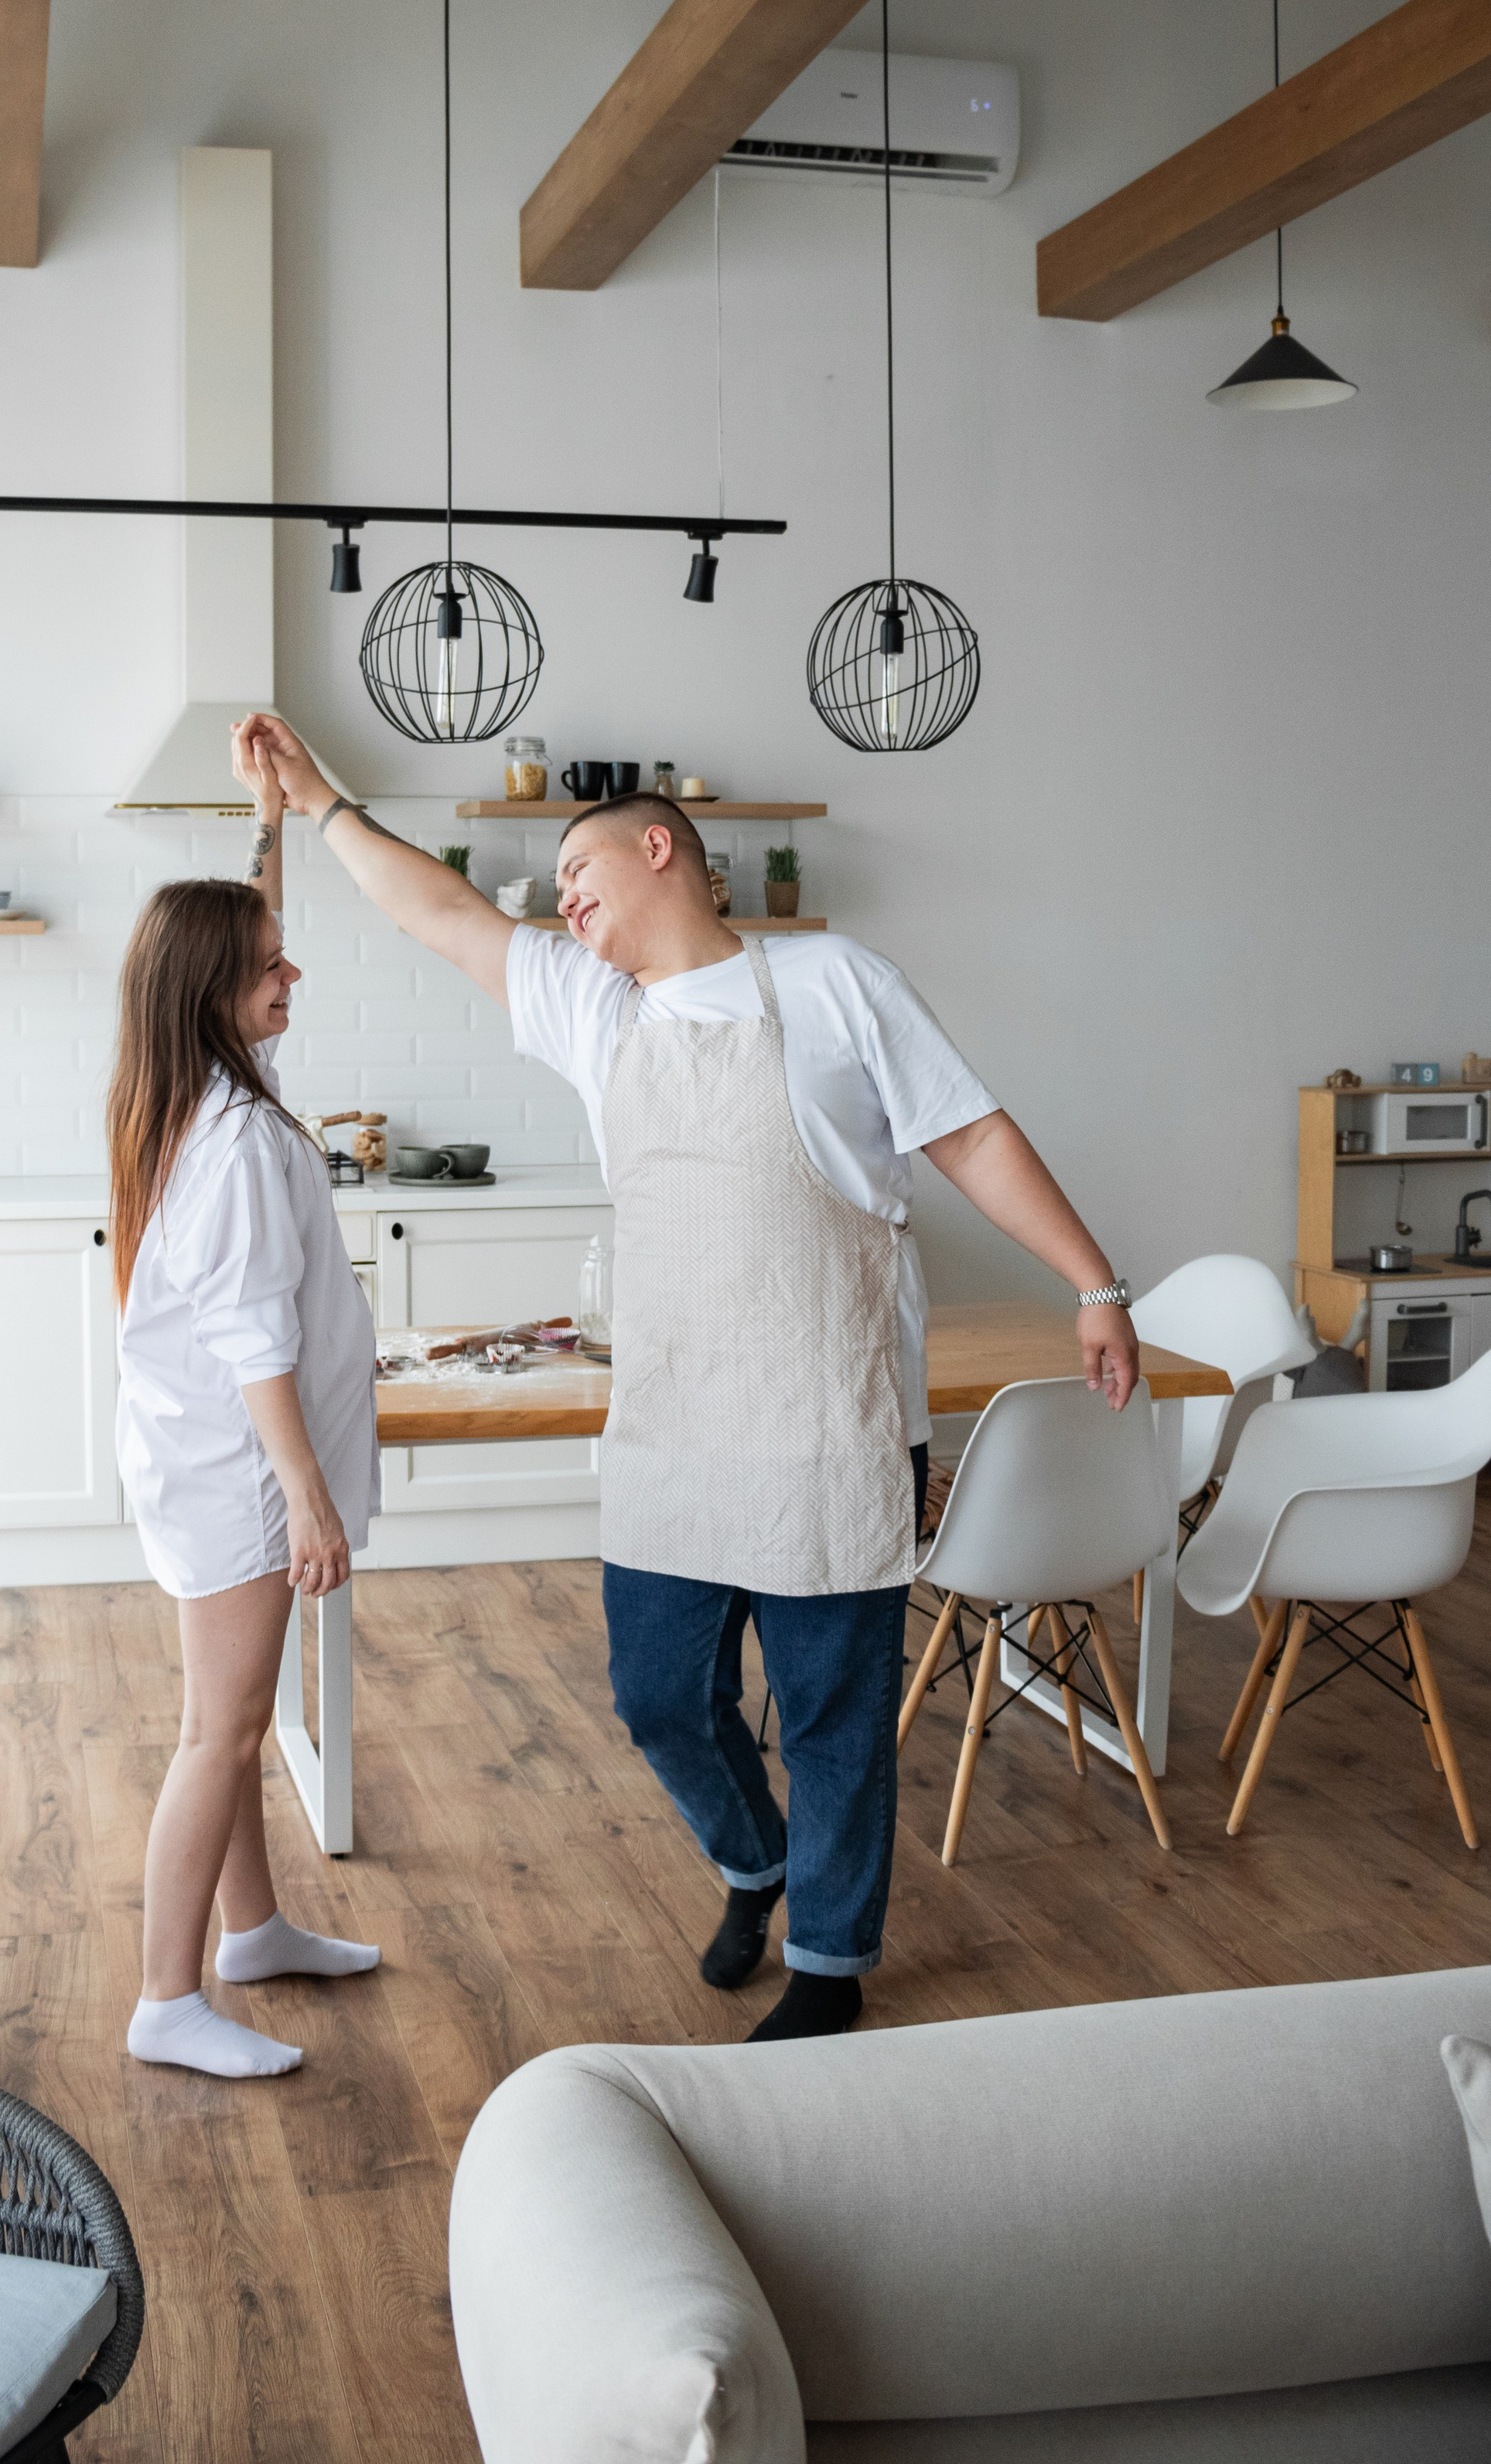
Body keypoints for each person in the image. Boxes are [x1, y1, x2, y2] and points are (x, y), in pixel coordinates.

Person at [243, 714, 1141, 2042]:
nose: (565, 909)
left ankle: (830, 1963)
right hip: (676, 1425)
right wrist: (318, 802)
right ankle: (755, 1862)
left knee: (838, 1713)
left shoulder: (837, 984)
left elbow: (973, 1136)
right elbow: (434, 910)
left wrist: (1095, 1283)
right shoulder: (595, 1010)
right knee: (659, 1695)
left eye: (581, 880)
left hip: (832, 1422)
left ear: (661, 848)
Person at [110, 728, 380, 2078]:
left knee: (241, 1701)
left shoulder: (203, 1083)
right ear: (217, 993)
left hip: (200, 1456)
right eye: (270, 966)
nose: (292, 970)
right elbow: (254, 1338)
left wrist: (266, 811)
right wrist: (308, 1500)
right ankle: (167, 2002)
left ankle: (253, 1930)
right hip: (235, 1468)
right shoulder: (225, 1142)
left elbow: (238, 927)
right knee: (219, 1732)